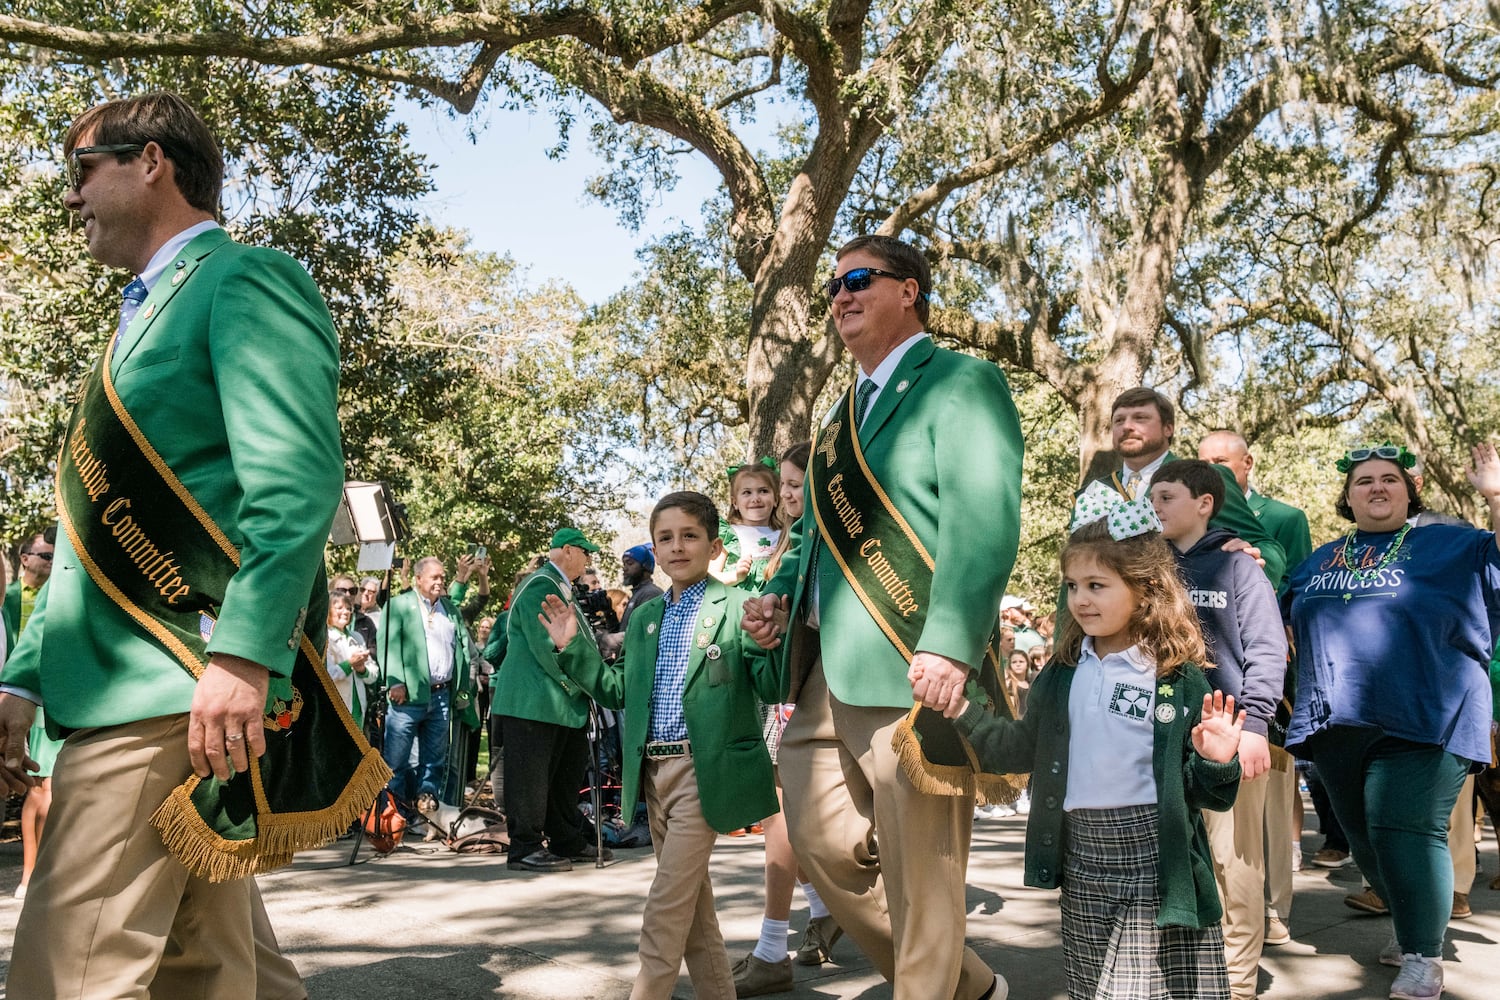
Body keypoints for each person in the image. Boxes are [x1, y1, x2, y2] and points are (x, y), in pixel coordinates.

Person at [0, 92, 381, 1000]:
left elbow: (292, 485)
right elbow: (85, 542)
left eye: (81, 169)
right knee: (212, 974)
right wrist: (24, 675)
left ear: (152, 161)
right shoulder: (138, 316)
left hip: (172, 682)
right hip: (130, 687)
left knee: (69, 977)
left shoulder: (242, 279)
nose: (69, 196)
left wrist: (244, 653)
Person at [744, 235, 1022, 1000]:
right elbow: (812, 539)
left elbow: (983, 522)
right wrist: (781, 599)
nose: (841, 295)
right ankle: (965, 984)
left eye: (859, 280)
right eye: (835, 286)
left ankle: (931, 987)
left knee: (922, 873)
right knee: (820, 841)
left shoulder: (963, 382)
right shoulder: (842, 415)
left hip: (914, 663)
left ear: (911, 291)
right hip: (825, 670)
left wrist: (951, 644)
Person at [945, 503, 1244, 1000]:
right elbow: (1019, 750)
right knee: (1093, 987)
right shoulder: (1061, 674)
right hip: (1082, 858)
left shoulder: (1175, 678)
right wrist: (965, 712)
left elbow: (1204, 795)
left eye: (1097, 585)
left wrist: (1216, 760)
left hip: (1154, 858)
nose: (1080, 599)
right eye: (1072, 586)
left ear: (1146, 591)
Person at [538, 491, 786, 1000]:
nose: (677, 547)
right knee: (694, 915)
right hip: (653, 775)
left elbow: (770, 686)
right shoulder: (646, 617)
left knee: (666, 906)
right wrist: (573, 647)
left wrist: (767, 644)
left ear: (715, 546)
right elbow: (617, 689)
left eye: (689, 536)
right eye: (665, 538)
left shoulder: (737, 605)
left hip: (705, 770)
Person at [1284, 441, 1500, 1000]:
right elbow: (1277, 618)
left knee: (1405, 832)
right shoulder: (1322, 559)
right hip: (1337, 720)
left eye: (1390, 479)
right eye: (1364, 481)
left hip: (1429, 714)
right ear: (1347, 497)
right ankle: (1412, 923)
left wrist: (1496, 495)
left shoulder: (1454, 544)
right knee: (1363, 839)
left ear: (1410, 492)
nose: (1377, 487)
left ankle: (1423, 956)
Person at [1150, 459, 1288, 998]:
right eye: (1152, 498)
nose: (1155, 507)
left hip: (1228, 737)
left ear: (1204, 504)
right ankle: (1178, 970)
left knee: (1235, 864)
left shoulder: (1240, 568)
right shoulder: (1142, 566)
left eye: (1167, 497)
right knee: (1170, 855)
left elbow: (1268, 650)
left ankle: (1236, 983)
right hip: (1156, 738)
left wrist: (1255, 725)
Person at [737, 441, 844, 996]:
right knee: (783, 811)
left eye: (798, 484)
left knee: (788, 814)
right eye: (783, 485)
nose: (787, 495)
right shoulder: (781, 543)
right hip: (785, 686)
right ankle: (821, 911)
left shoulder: (836, 536)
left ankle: (777, 943)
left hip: (823, 685)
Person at [1198, 429, 1313, 934]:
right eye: (1204, 461)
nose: (1214, 470)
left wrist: (1262, 565)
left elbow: (1293, 577)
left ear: (1247, 462)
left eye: (1222, 461)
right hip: (1210, 675)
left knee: (1271, 788)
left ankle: (1276, 904)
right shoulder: (1184, 503)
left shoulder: (1284, 517)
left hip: (1267, 661)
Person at [496, 528, 610, 872]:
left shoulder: (559, 586)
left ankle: (565, 838)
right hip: (534, 700)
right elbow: (545, 645)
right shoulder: (540, 584)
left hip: (558, 703)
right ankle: (525, 846)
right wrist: (580, 683)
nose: (587, 559)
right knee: (530, 778)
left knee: (564, 777)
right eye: (584, 552)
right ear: (567, 551)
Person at [380, 556, 477, 810]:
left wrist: (461, 690)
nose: (439, 581)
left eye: (442, 577)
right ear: (418, 579)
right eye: (434, 577)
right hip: (407, 697)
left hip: (441, 696)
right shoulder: (399, 605)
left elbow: (461, 649)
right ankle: (393, 818)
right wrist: (395, 681)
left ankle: (426, 817)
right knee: (396, 763)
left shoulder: (448, 609)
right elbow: (388, 647)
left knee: (433, 763)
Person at [712, 458, 784, 591]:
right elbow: (710, 578)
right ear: (735, 503)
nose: (755, 498)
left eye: (763, 491)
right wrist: (736, 576)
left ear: (775, 499)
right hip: (738, 607)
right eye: (747, 492)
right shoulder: (729, 535)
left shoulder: (785, 535)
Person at [326, 593, 373, 728]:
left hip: (358, 709)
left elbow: (372, 674)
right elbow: (327, 674)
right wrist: (349, 664)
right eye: (339, 608)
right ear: (328, 610)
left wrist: (362, 670)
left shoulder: (356, 637)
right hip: (336, 707)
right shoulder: (326, 638)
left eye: (348, 608)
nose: (345, 612)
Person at [2, 530, 54, 646]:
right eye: (47, 556)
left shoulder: (57, 596)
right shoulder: (6, 595)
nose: (52, 561)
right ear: (25, 559)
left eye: (55, 557)